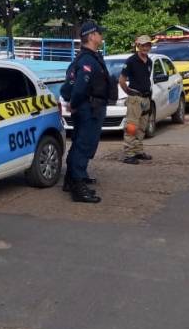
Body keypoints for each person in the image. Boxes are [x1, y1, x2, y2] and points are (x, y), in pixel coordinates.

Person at [61, 21, 112, 203]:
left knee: (81, 144)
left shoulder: (91, 57)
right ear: (91, 36)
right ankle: (78, 186)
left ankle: (71, 179)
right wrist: (74, 103)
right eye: (99, 33)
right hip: (88, 108)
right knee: (84, 145)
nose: (101, 36)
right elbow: (80, 87)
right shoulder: (87, 60)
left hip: (92, 107)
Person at [119, 35, 154, 165]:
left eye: (147, 45)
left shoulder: (149, 62)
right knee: (132, 127)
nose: (145, 47)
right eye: (143, 45)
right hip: (135, 98)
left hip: (146, 98)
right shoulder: (131, 61)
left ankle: (138, 151)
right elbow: (122, 81)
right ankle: (128, 154)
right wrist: (129, 93)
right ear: (138, 46)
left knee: (142, 127)